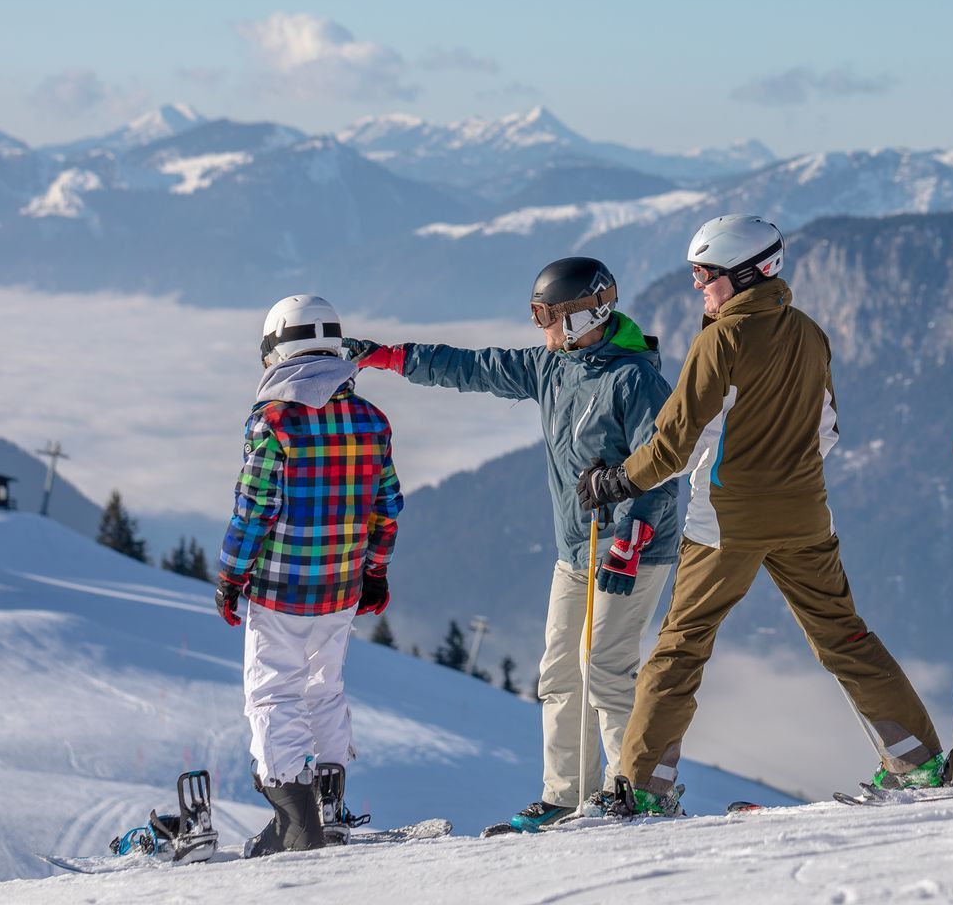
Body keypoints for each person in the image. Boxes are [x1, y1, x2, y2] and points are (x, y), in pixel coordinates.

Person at [575, 214, 949, 816]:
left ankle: (643, 789)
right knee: (845, 635)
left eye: (705, 274)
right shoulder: (809, 333)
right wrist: (784, 475)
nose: (697, 285)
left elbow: (675, 444)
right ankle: (922, 763)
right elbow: (827, 430)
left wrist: (617, 481)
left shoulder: (719, 341)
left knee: (681, 647)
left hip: (725, 522)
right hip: (806, 516)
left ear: (745, 274)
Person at [346, 257, 678, 831]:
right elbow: (473, 367)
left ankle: (634, 790)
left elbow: (665, 468)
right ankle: (566, 797)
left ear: (584, 315)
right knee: (558, 674)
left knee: (605, 667)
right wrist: (386, 356)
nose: (538, 325)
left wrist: (632, 536)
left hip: (633, 549)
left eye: (546, 314)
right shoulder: (552, 366)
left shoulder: (635, 380)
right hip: (577, 549)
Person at [217, 294, 403, 857]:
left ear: (277, 352)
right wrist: (374, 571)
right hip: (342, 587)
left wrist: (230, 575)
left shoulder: (273, 422)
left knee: (273, 694)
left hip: (281, 590)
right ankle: (329, 808)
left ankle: (294, 824)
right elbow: (386, 505)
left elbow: (255, 509)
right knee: (325, 688)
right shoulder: (372, 420)